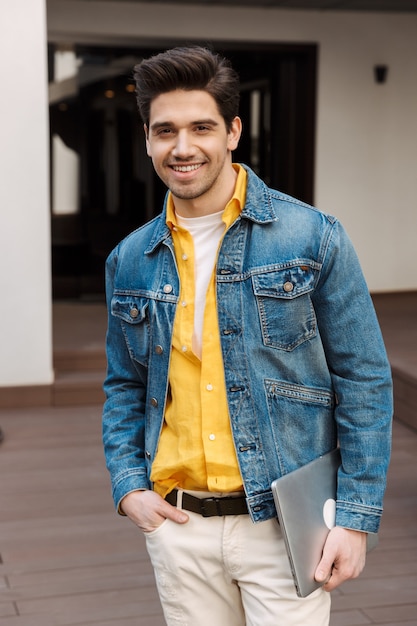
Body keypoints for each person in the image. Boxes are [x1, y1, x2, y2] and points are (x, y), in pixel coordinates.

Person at [102, 46, 392, 626]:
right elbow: (124, 385)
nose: (182, 147)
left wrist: (356, 517)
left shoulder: (312, 237)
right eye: (166, 131)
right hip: (179, 527)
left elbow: (364, 379)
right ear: (148, 140)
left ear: (233, 131)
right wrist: (130, 486)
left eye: (201, 127)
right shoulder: (130, 258)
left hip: (285, 524)